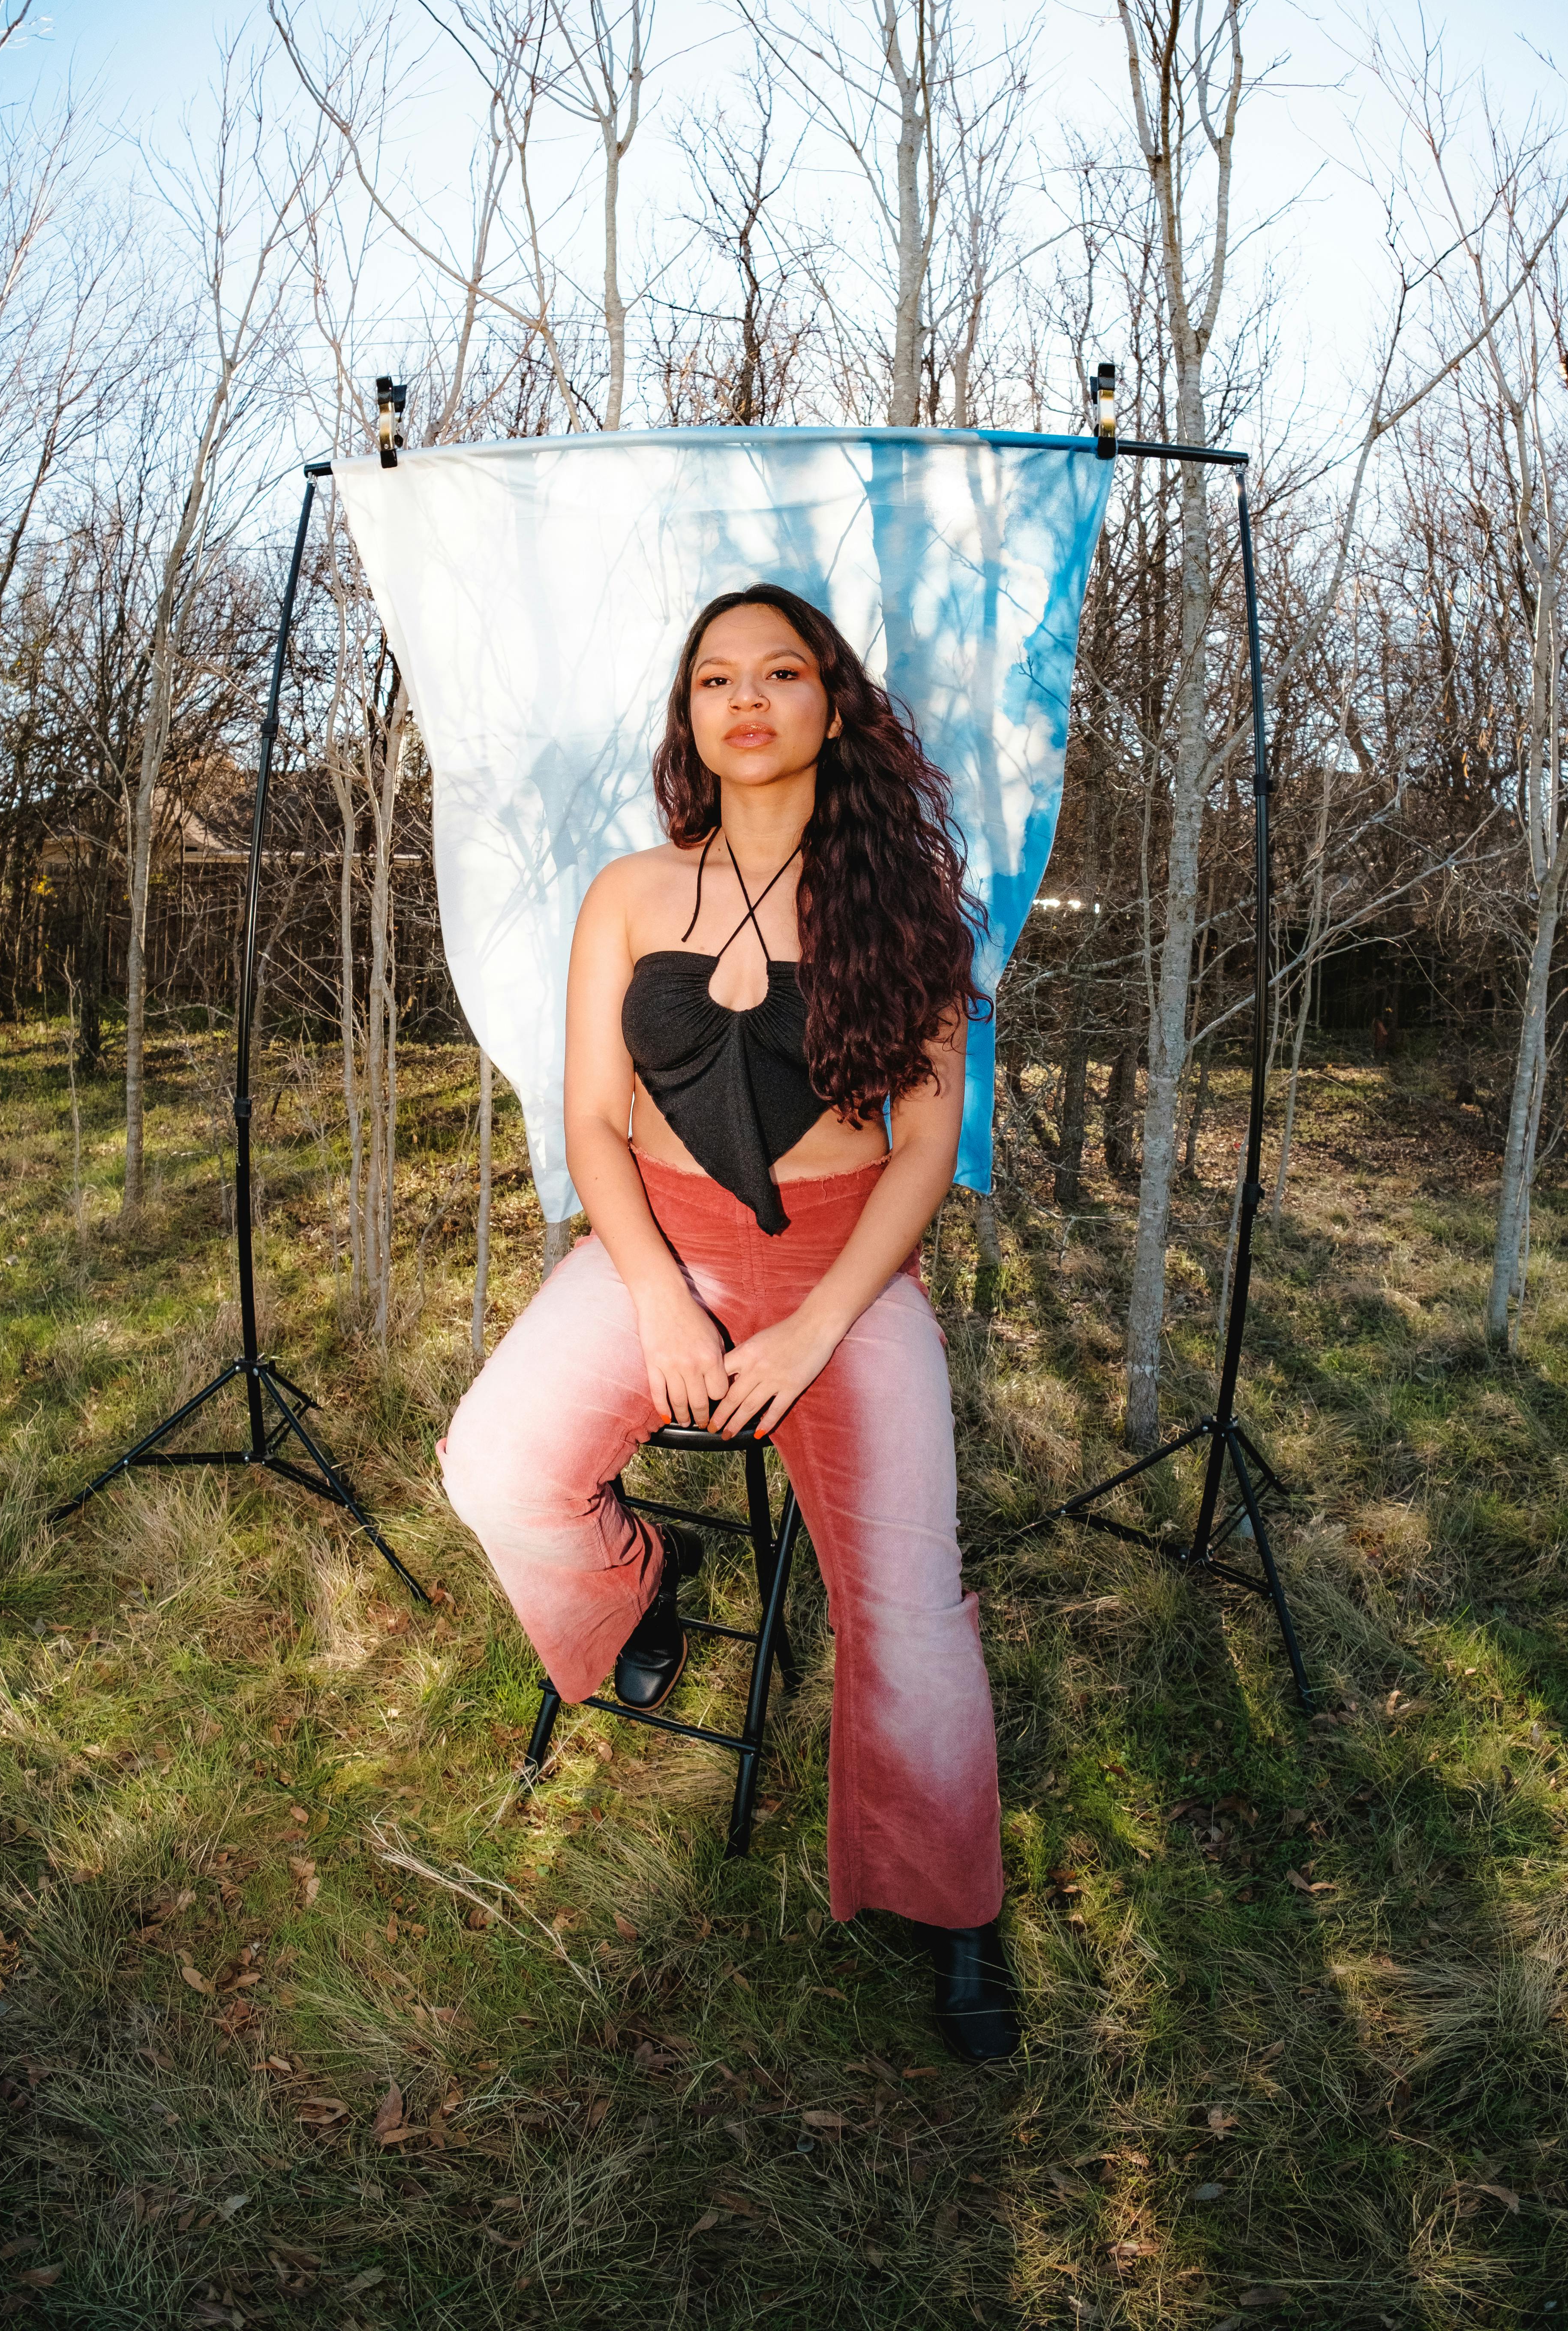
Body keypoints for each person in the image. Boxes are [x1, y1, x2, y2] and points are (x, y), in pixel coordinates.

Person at [439, 584, 1017, 2062]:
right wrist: (656, 1296)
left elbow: (927, 1144)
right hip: (660, 1243)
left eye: (779, 673)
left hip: (843, 1269)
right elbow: (591, 1118)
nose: (746, 699)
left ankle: (953, 1902)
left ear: (833, 703)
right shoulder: (633, 893)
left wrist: (814, 1330)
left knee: (908, 1609)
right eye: (715, 679)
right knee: (495, 1469)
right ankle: (643, 1582)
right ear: (689, 716)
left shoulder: (904, 911)